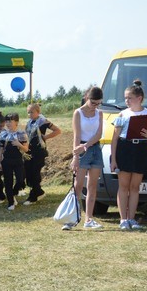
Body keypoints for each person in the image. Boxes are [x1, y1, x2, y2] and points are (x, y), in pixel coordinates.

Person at [110, 80, 147, 230]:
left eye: (129, 98)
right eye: (125, 98)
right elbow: (114, 139)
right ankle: (123, 220)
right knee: (123, 186)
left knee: (135, 187)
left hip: (141, 149)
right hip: (124, 149)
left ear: (139, 98)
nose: (126, 101)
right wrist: (113, 159)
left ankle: (132, 219)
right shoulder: (122, 114)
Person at [66, 87, 105, 230]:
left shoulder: (99, 113)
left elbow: (99, 134)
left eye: (98, 103)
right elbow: (76, 136)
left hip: (95, 148)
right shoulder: (78, 113)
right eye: (93, 103)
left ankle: (89, 219)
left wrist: (86, 146)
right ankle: (71, 219)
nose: (95, 106)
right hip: (81, 150)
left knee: (92, 186)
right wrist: (75, 157)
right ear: (87, 98)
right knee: (78, 186)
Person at [23, 102, 61, 205]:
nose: (30, 114)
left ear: (38, 112)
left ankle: (33, 196)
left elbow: (57, 130)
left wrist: (46, 137)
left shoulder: (43, 121)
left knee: (35, 173)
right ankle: (39, 192)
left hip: (39, 151)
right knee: (28, 172)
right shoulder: (29, 123)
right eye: (28, 112)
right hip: (29, 151)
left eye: (32, 112)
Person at [0, 112, 28, 211]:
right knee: (8, 182)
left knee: (20, 180)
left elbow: (26, 149)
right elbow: (1, 149)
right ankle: (10, 202)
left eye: (10, 121)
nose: (8, 123)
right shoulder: (3, 134)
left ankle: (13, 193)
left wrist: (19, 144)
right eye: (6, 121)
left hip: (18, 160)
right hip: (6, 161)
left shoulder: (21, 134)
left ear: (16, 122)